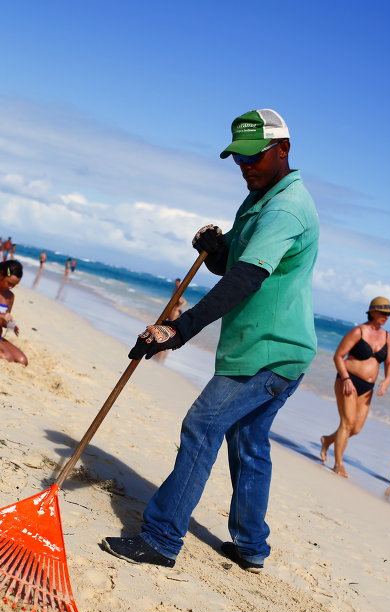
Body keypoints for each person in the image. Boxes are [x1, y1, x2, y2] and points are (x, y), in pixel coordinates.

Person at [101, 108, 319, 572]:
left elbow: (245, 279)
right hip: (273, 350)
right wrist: (216, 247)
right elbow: (231, 264)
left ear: (283, 149)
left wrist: (177, 331)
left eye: (253, 157)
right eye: (238, 159)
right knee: (249, 442)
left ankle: (161, 539)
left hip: (268, 352)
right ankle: (251, 547)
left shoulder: (284, 208)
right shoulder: (261, 198)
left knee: (202, 425)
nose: (245, 167)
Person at [319, 297, 390, 477]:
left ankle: (328, 440)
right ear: (373, 312)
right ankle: (338, 464)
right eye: (383, 313)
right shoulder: (358, 331)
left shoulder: (387, 336)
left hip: (368, 387)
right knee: (347, 423)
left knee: (356, 428)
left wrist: (387, 379)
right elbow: (338, 356)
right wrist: (345, 378)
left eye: (388, 314)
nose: (386, 317)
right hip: (349, 381)